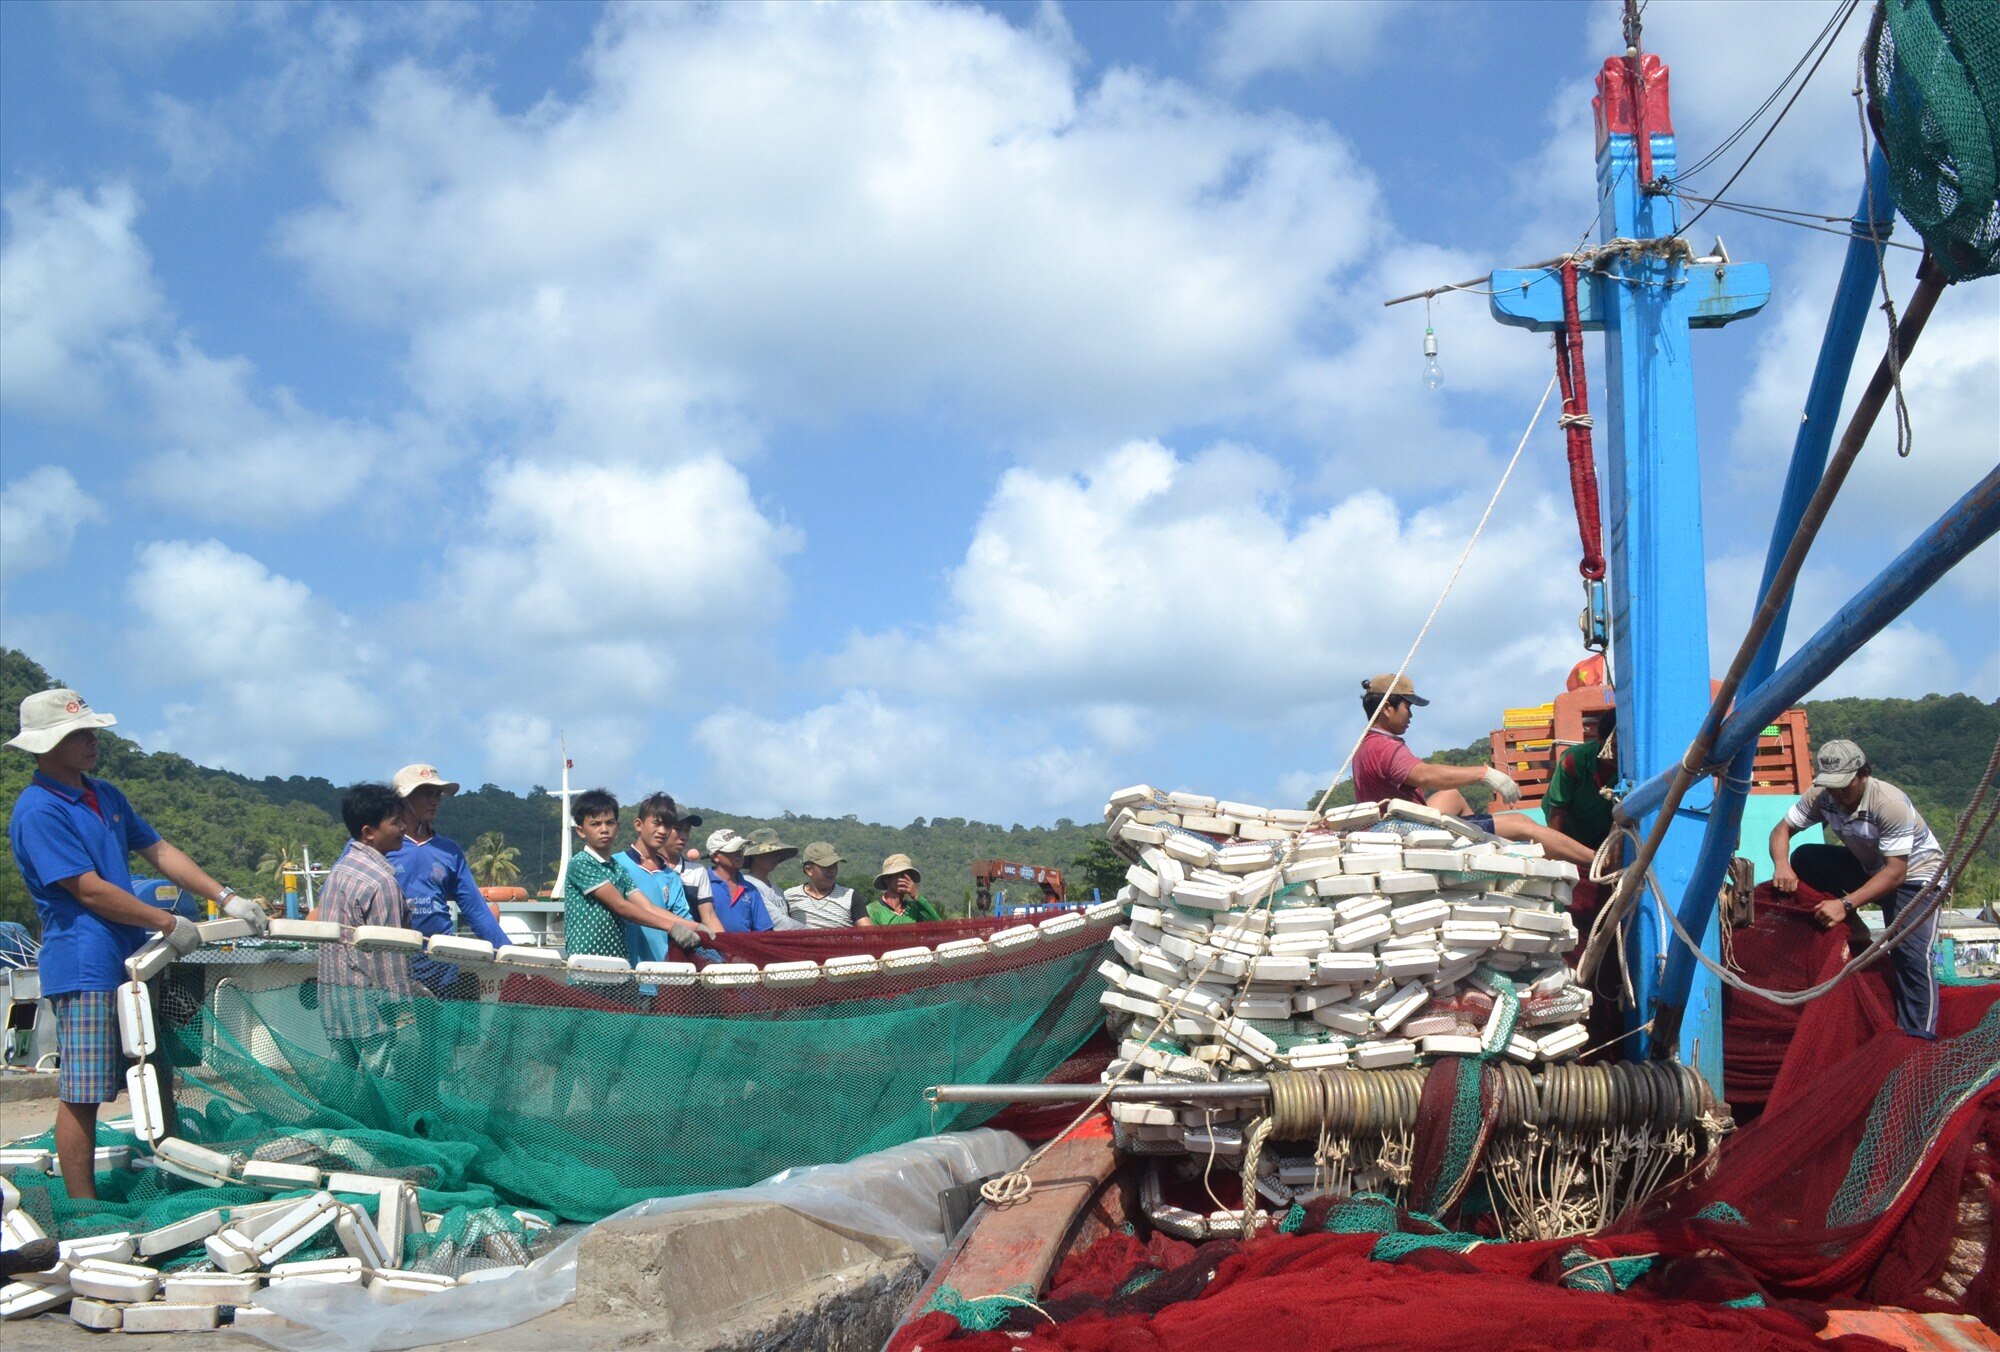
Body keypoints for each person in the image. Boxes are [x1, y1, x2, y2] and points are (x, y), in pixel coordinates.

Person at [6, 688, 266, 1201]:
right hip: (85, 966)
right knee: (83, 1093)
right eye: (77, 734)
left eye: (90, 732)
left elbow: (158, 849)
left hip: (136, 962)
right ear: (45, 745)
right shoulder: (38, 810)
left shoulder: (104, 794)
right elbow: (86, 888)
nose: (90, 742)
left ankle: (173, 1171)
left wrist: (225, 896)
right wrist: (166, 922)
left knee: (155, 1073)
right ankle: (84, 1209)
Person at [1770, 740, 1949, 1039]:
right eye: (1831, 786)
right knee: (1805, 858)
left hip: (1915, 879)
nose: (1837, 794)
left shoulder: (1889, 804)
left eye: (1844, 786)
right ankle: (1856, 928)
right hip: (1869, 869)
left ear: (1862, 774)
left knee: (1910, 955)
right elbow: (1782, 830)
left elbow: (1895, 873)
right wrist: (1781, 864)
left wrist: (1845, 903)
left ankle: (1918, 1039)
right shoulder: (1822, 796)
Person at [1350, 673, 1596, 869]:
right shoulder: (1384, 747)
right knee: (1522, 823)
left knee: (1452, 795)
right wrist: (1484, 774)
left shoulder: (1367, 744)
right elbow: (1424, 775)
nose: (1411, 715)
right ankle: (1600, 862)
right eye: (1407, 707)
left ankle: (1478, 842)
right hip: (1409, 831)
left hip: (1397, 823)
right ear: (1387, 709)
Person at [317, 783, 429, 1073]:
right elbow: (388, 960)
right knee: (378, 1096)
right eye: (395, 822)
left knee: (343, 1092)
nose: (404, 828)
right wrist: (405, 1020)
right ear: (369, 832)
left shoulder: (338, 872)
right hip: (375, 1017)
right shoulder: (381, 883)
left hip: (336, 1007)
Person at [385, 764, 512, 998]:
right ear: (403, 798)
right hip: (391, 966)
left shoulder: (449, 851)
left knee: (441, 1034)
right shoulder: (377, 843)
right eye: (425, 793)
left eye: (437, 794)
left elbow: (476, 910)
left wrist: (510, 955)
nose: (435, 800)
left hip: (441, 966)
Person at [563, 790, 711, 960]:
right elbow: (621, 906)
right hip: (587, 964)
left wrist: (696, 927)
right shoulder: (582, 862)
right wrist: (672, 927)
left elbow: (648, 907)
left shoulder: (617, 868)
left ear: (617, 826)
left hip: (621, 967)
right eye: (596, 824)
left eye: (609, 823)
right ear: (581, 831)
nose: (604, 829)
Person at [616, 793, 718, 962]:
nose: (662, 831)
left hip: (661, 971)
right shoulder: (616, 864)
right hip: (622, 971)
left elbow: (685, 920)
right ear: (638, 824)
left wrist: (702, 932)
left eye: (668, 826)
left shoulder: (671, 877)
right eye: (657, 823)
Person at [1543, 707, 1618, 852]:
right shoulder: (1573, 761)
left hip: (1602, 832)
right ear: (1600, 739)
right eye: (1615, 746)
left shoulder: (1631, 767)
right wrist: (1555, 854)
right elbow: (1557, 812)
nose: (1620, 752)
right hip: (1567, 829)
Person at [704, 829, 775, 932]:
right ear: (715, 857)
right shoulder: (703, 884)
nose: (739, 854)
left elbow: (764, 930)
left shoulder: (750, 889)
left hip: (745, 947)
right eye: (733, 851)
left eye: (741, 849)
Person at [784, 842, 859, 929]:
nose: (833, 870)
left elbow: (868, 932)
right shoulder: (788, 896)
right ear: (808, 870)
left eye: (835, 865)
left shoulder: (850, 895)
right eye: (827, 866)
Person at [742, 828, 806, 929]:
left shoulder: (777, 890)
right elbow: (777, 921)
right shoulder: (748, 885)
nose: (777, 858)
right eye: (771, 853)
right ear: (756, 856)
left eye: (778, 854)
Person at [861, 854, 943, 925]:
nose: (905, 879)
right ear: (886, 879)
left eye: (908, 875)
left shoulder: (914, 908)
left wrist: (916, 896)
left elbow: (938, 927)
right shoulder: (873, 911)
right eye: (900, 875)